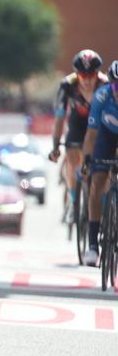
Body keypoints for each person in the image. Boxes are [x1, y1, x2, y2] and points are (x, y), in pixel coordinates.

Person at [48, 49, 107, 221]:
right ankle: (74, 201)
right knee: (73, 157)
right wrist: (55, 145)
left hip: (99, 124)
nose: (88, 81)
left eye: (91, 76)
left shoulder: (105, 84)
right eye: (83, 76)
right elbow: (59, 119)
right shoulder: (67, 85)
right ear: (76, 75)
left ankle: (104, 205)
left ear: (97, 74)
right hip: (77, 123)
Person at [80, 60, 118, 266]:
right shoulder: (102, 97)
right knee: (97, 183)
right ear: (110, 85)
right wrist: (87, 160)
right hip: (105, 137)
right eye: (116, 86)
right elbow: (91, 135)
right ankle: (93, 245)